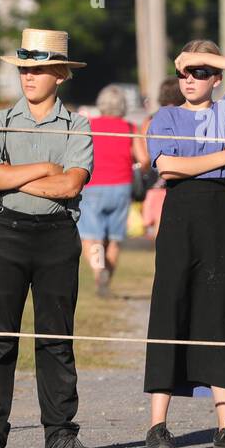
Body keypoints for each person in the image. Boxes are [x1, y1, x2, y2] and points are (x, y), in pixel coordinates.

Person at [0, 28, 95, 448]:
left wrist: (15, 174)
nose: (28, 76)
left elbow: (71, 184)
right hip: (6, 233)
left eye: (38, 68)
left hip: (57, 237)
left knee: (56, 338)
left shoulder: (77, 125)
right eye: (24, 68)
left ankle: (60, 433)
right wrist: (43, 167)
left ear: (59, 74)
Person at [142, 41, 225, 448]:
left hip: (221, 212)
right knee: (171, 306)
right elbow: (168, 167)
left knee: (221, 310)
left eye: (199, 73)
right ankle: (158, 426)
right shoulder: (166, 116)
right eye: (184, 72)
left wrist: (209, 59)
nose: (190, 80)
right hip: (181, 212)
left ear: (215, 78)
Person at [78, 84, 145, 297]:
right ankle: (106, 278)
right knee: (114, 238)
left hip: (93, 185)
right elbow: (143, 159)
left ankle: (99, 272)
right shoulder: (130, 128)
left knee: (92, 237)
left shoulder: (89, 125)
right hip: (122, 186)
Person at [140, 78, 182, 240]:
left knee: (159, 223)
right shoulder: (186, 118)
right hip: (180, 176)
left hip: (154, 180)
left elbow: (144, 155)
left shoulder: (149, 120)